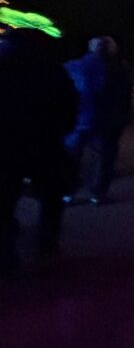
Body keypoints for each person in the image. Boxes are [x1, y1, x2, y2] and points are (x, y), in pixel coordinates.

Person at [0, 29, 78, 274]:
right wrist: (59, 131)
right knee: (51, 197)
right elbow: (69, 106)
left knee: (3, 203)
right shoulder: (52, 70)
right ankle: (47, 245)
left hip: (4, 147)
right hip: (44, 144)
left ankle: (6, 256)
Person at [64, 36, 132, 205]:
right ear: (109, 49)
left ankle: (67, 192)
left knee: (73, 157)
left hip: (79, 119)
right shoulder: (117, 70)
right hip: (107, 121)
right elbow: (124, 97)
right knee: (104, 158)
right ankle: (97, 193)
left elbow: (63, 92)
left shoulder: (74, 66)